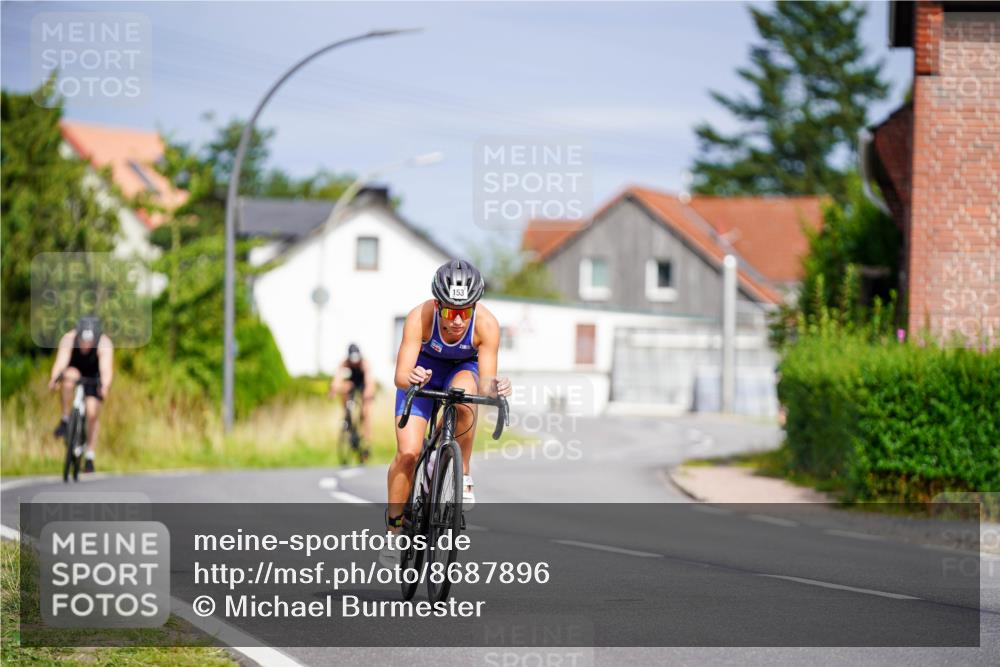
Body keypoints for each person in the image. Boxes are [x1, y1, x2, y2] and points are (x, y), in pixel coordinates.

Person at [380, 260, 512, 566]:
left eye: (464, 312)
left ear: (474, 307)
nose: (456, 320)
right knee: (408, 454)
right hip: (423, 372)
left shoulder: (487, 325)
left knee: (466, 396)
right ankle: (394, 530)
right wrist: (412, 378)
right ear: (438, 305)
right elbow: (400, 375)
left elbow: (487, 383)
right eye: (450, 311)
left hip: (462, 371)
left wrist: (498, 388)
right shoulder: (419, 317)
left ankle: (461, 474)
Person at [48, 316, 113, 473]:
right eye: (83, 341)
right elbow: (61, 363)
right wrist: (54, 378)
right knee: (68, 379)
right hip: (75, 369)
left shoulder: (104, 344)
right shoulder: (69, 339)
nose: (86, 345)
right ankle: (65, 418)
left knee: (92, 413)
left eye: (89, 342)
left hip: (93, 375)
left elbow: (106, 370)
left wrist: (104, 387)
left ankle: (89, 455)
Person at [329, 343, 375, 445]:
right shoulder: (345, 363)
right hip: (353, 382)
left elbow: (369, 381)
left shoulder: (365, 363)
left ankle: (367, 441)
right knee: (344, 388)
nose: (354, 363)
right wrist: (333, 389)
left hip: (363, 383)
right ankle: (347, 413)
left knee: (365, 411)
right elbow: (337, 378)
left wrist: (368, 393)